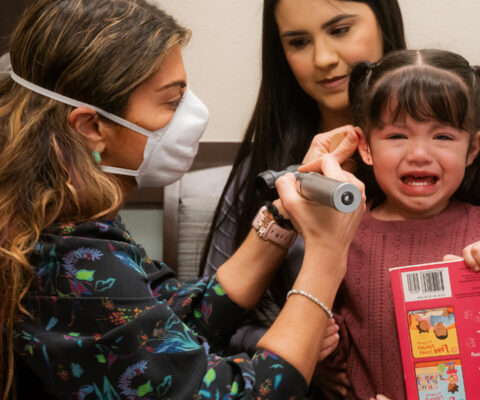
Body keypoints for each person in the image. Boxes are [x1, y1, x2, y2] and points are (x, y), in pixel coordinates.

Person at [0, 0, 366, 398]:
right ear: (91, 126)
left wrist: (284, 213)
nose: (191, 115)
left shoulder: (65, 214)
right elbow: (238, 394)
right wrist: (327, 253)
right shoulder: (63, 259)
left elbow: (179, 323)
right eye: (172, 102)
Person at [200, 0, 480, 366]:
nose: (323, 59)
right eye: (298, 42)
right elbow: (208, 321)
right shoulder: (264, 174)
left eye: (340, 30)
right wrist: (303, 348)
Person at [327, 48, 480, 399]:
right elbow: (341, 347)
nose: (419, 154)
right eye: (397, 136)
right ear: (365, 147)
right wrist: (324, 347)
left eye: (443, 137)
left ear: (472, 149)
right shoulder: (345, 233)